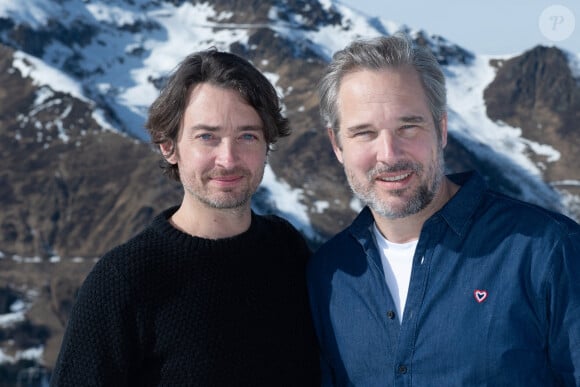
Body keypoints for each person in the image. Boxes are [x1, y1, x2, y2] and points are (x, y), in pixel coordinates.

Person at [307, 33, 580, 386]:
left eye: (408, 126)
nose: (389, 154)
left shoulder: (547, 250)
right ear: (337, 144)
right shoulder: (329, 275)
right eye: (364, 133)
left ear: (441, 128)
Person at [50, 48, 320, 386]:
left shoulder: (286, 249)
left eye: (247, 136)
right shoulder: (124, 281)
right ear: (169, 146)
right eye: (207, 136)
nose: (228, 158)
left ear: (267, 143)